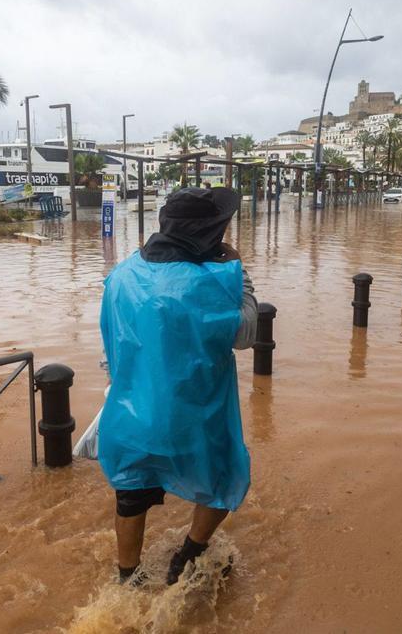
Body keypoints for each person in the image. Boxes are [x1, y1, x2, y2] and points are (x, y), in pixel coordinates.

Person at [98, 187, 257, 586]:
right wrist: (242, 277)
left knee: (131, 494)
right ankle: (188, 555)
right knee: (222, 479)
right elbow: (244, 335)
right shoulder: (212, 283)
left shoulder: (121, 275)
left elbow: (113, 343)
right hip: (195, 416)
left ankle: (127, 577)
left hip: (130, 414)